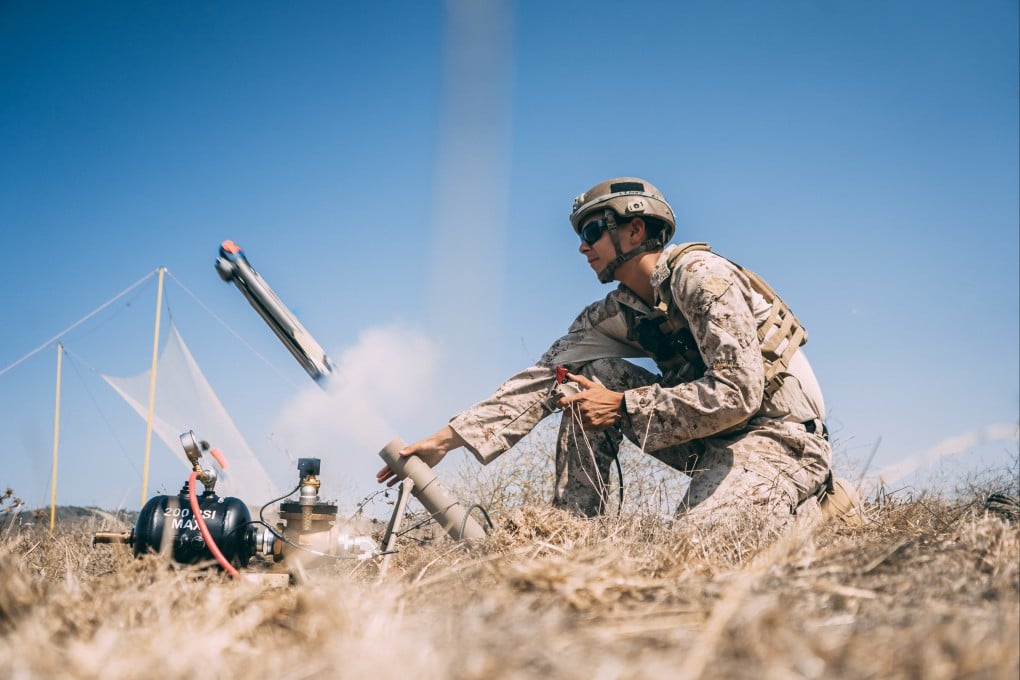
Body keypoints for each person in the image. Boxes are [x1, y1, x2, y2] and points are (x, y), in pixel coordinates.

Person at [378, 177, 837, 533]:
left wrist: (622, 406)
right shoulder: (617, 312)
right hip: (713, 442)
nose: (582, 246)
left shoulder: (702, 278)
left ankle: (818, 506)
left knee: (696, 551)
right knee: (584, 376)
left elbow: (738, 392)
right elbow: (545, 377)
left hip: (782, 440)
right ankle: (572, 533)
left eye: (594, 230)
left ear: (635, 230)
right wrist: (444, 440)